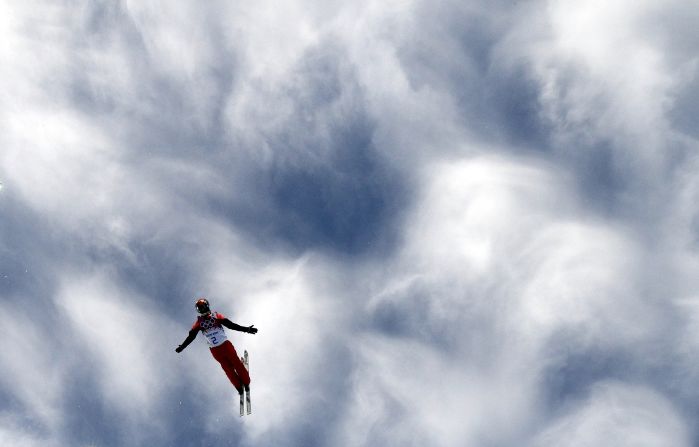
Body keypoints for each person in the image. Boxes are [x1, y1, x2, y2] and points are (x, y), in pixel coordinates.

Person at [176, 298, 258, 395]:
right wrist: (246, 329)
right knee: (236, 364)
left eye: (202, 308)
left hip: (215, 351)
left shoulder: (199, 323)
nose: (202, 309)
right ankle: (246, 383)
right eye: (200, 308)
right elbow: (231, 325)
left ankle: (239, 387)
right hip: (225, 346)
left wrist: (182, 347)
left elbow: (191, 337)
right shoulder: (215, 316)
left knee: (227, 368)